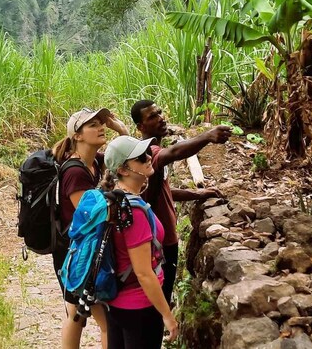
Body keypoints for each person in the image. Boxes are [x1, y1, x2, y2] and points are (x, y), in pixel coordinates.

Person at [130, 100, 231, 305]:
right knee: (158, 299)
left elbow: (164, 191)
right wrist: (208, 136)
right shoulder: (148, 153)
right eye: (152, 117)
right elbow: (174, 153)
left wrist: (197, 194)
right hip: (158, 243)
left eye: (159, 112)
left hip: (162, 239)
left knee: (159, 297)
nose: (160, 118)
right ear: (140, 127)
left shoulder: (149, 152)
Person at [53, 107, 129, 349]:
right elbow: (91, 215)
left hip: (82, 250)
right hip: (78, 254)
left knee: (75, 314)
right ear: (77, 136)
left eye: (101, 123)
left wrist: (122, 130)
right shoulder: (75, 171)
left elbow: (126, 157)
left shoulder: (95, 162)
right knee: (105, 320)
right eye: (93, 125)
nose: (101, 128)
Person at [102, 135, 178, 349]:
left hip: (116, 302)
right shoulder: (132, 211)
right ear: (123, 170)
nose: (147, 158)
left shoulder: (113, 198)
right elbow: (144, 272)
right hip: (139, 306)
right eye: (139, 157)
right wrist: (167, 314)